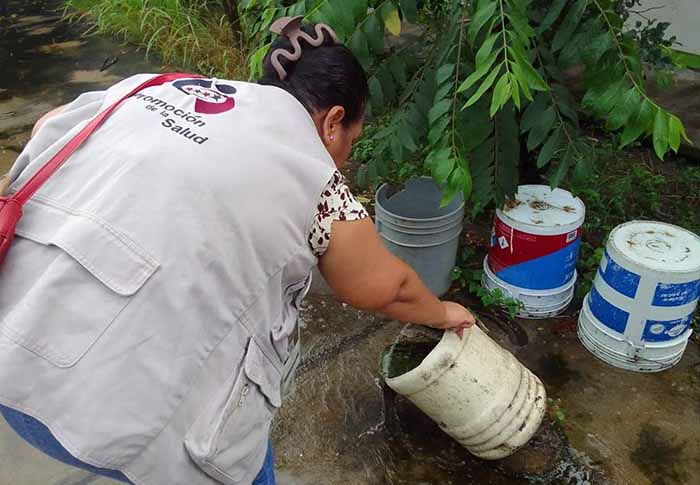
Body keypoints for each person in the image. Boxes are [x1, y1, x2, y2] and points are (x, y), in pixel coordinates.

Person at [0, 17, 475, 485]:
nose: (346, 155)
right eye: (351, 140)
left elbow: (49, 127)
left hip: (14, 368)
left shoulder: (149, 87)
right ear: (333, 121)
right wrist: (443, 311)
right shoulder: (317, 182)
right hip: (109, 423)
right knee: (241, 469)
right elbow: (385, 287)